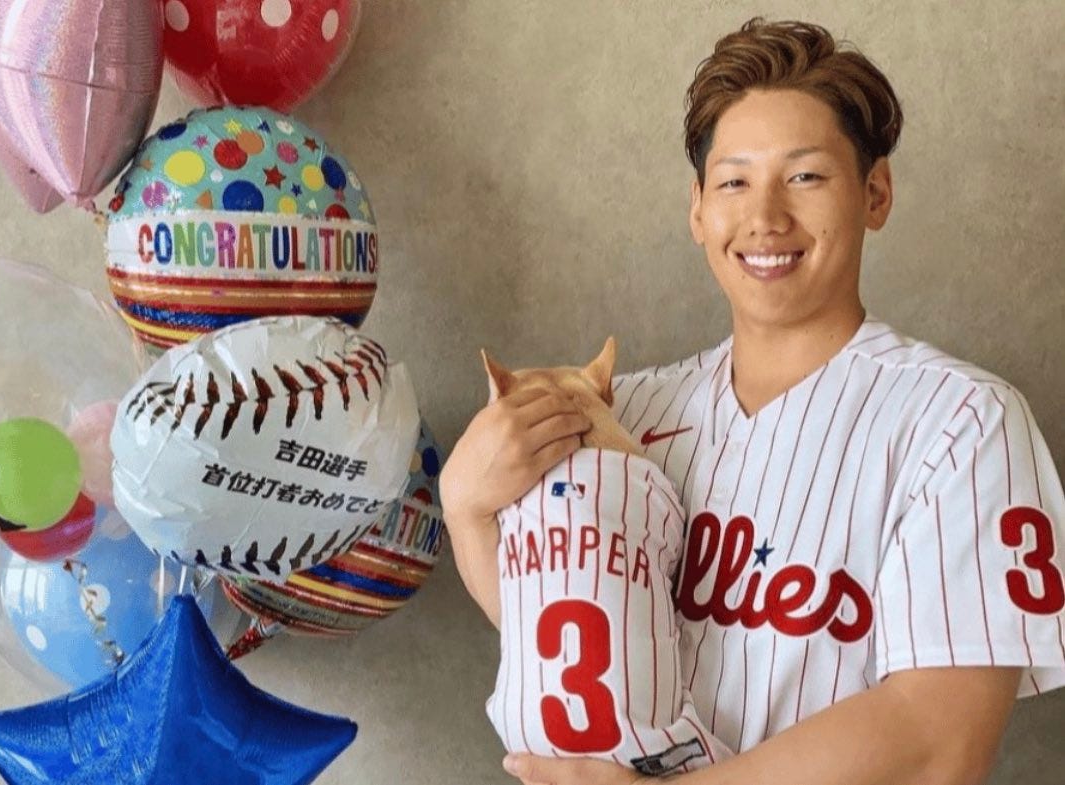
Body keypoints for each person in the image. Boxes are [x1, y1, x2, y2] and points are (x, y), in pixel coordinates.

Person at [439, 17, 1065, 785]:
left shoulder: (962, 421)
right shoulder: (615, 415)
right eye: (734, 181)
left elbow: (939, 739)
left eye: (805, 176)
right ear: (699, 208)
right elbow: (558, 627)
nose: (765, 216)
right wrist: (465, 505)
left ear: (875, 192)